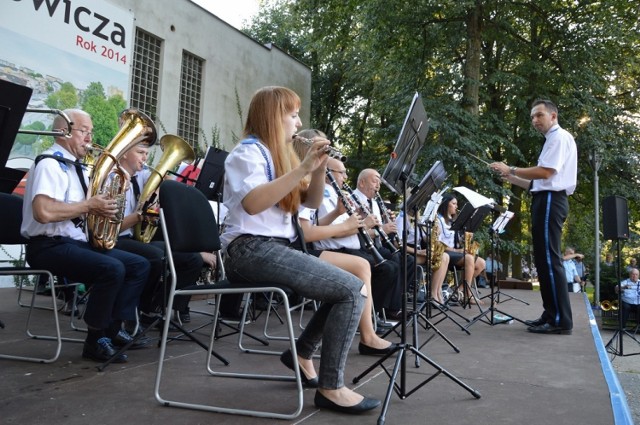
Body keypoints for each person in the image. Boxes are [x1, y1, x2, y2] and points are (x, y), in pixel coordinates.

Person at [220, 87, 380, 413]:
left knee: (352, 289)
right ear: (272, 117)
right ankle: (331, 386)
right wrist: (303, 168)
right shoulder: (246, 154)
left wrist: (319, 168)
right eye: (292, 115)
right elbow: (253, 204)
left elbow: (311, 202)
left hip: (270, 248)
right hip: (247, 250)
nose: (299, 122)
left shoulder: (280, 156)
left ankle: (302, 352)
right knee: (351, 290)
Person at [21, 108, 151, 362]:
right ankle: (95, 338)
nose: (90, 138)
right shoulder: (51, 163)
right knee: (111, 269)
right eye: (83, 131)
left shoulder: (77, 167)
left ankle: (113, 329)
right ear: (62, 132)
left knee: (139, 265)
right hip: (47, 246)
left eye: (90, 132)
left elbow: (86, 212)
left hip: (75, 243)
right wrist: (89, 205)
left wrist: (106, 206)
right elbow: (43, 212)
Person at [490, 99, 577, 335]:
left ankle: (560, 320)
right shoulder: (552, 140)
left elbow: (547, 173)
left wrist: (512, 169)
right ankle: (551, 314)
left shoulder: (558, 138)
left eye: (539, 115)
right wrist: (511, 178)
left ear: (553, 116)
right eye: (532, 117)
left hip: (551, 200)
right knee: (543, 259)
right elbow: (537, 182)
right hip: (545, 197)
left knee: (549, 260)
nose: (535, 121)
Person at [114, 143, 216, 327]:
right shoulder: (114, 178)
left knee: (192, 259)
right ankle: (142, 311)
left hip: (135, 239)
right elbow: (114, 228)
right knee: (156, 257)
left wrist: (161, 188)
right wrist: (141, 216)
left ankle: (164, 309)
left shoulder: (142, 176)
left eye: (146, 153)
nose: (145, 158)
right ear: (123, 154)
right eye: (140, 152)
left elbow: (165, 183)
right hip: (117, 239)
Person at [313, 158, 403, 324]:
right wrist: (365, 224)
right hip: (337, 250)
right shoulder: (324, 194)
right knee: (386, 269)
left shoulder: (336, 194)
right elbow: (335, 232)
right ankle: (365, 318)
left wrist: (362, 220)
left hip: (351, 248)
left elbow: (349, 225)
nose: (346, 177)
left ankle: (370, 316)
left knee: (391, 265)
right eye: (342, 172)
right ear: (327, 173)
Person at [436, 194, 487, 304]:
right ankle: (467, 294)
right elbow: (438, 242)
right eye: (453, 204)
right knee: (469, 258)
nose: (456, 206)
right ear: (445, 205)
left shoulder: (456, 221)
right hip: (444, 252)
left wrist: (464, 239)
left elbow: (456, 241)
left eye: (456, 204)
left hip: (455, 253)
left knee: (481, 263)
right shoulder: (438, 220)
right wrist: (456, 251)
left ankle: (459, 289)